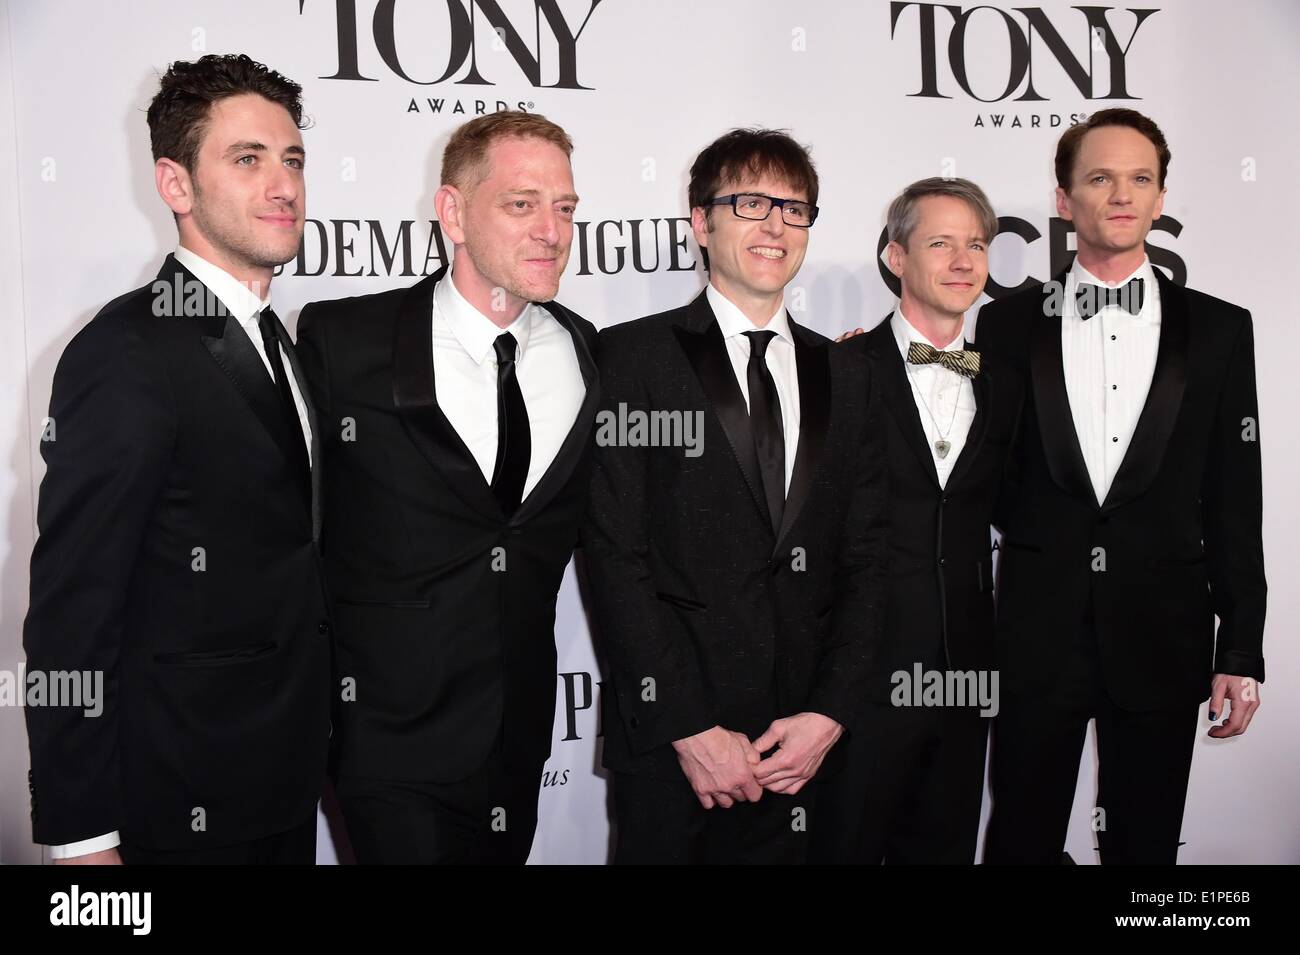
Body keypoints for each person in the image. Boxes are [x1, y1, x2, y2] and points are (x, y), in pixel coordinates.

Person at [24, 53, 330, 865]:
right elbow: (70, 617)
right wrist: (82, 840)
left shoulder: (279, 342)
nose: (284, 184)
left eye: (292, 158)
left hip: (279, 786)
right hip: (172, 804)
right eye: (247, 158)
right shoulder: (124, 351)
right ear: (175, 185)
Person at [296, 111, 599, 864]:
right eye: (522, 204)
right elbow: (290, 530)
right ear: (453, 213)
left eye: (565, 208)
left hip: (520, 739)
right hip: (388, 743)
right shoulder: (344, 340)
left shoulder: (587, 349)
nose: (552, 231)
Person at [584, 128, 888, 864]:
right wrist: (687, 725)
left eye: (794, 208)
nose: (775, 224)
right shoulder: (630, 357)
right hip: (676, 750)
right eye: (751, 202)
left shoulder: (849, 374)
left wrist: (828, 714)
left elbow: (872, 559)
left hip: (807, 752)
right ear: (700, 221)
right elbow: (613, 556)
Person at [977, 108, 1266, 865]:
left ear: (1161, 197)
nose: (1121, 194)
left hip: (1164, 634)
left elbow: (1236, 498)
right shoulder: (1004, 327)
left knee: (1144, 849)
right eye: (1099, 177)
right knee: (1020, 840)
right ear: (1064, 199)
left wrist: (1241, 647)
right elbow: (983, 479)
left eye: (1140, 178)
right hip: (1037, 635)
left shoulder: (1221, 330)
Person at [815, 177, 1022, 864]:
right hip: (858, 682)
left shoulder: (1005, 381)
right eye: (941, 243)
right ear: (896, 257)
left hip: (965, 680)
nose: (964, 261)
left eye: (977, 245)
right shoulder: (836, 371)